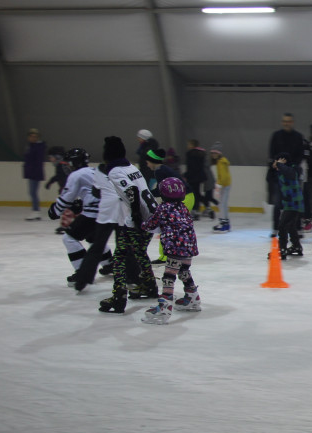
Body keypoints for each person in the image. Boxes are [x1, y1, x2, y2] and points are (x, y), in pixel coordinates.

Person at [99, 136, 159, 314]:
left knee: (119, 257)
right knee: (140, 252)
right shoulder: (131, 167)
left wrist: (135, 216)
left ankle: (119, 297)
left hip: (138, 219)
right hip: (151, 215)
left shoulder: (115, 171)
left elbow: (131, 191)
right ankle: (149, 287)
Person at [47, 148, 113, 284]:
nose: (68, 166)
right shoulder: (95, 171)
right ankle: (109, 263)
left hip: (93, 214)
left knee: (69, 238)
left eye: (69, 163)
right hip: (107, 212)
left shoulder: (77, 175)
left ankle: (82, 271)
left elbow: (66, 197)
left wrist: (55, 211)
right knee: (92, 237)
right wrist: (82, 203)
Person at [140, 177, 200, 324]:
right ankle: (192, 297)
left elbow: (152, 223)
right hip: (189, 246)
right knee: (184, 271)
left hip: (175, 247)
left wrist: (142, 224)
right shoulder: (183, 206)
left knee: (168, 276)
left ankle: (164, 308)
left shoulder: (164, 207)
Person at [268, 113, 306, 236]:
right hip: (278, 175)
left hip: (293, 175)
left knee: (295, 203)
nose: (286, 123)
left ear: (292, 122)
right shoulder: (276, 136)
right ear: (282, 122)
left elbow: (300, 155)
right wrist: (278, 166)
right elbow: (272, 153)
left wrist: (291, 168)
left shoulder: (298, 137)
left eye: (289, 121)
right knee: (278, 203)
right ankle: (276, 228)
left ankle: (297, 228)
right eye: (284, 121)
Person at [273, 153, 304, 260]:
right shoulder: (282, 171)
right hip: (290, 204)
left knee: (282, 226)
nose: (275, 164)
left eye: (277, 161)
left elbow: (291, 174)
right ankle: (296, 246)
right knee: (290, 226)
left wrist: (280, 164)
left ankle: (282, 249)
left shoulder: (292, 170)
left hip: (293, 204)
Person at [23, 128, 47, 220]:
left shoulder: (38, 147)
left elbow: (37, 161)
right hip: (31, 172)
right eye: (31, 136)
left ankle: (36, 211)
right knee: (32, 192)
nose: (33, 138)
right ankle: (35, 211)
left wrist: (34, 172)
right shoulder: (30, 146)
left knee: (33, 192)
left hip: (35, 173)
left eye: (35, 137)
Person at [210, 142, 232, 233]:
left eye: (215, 153)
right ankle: (225, 223)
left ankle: (224, 224)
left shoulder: (221, 162)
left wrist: (219, 185)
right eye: (212, 153)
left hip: (225, 185)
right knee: (223, 204)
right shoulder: (220, 161)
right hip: (225, 185)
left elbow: (223, 177)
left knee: (222, 205)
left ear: (219, 153)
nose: (213, 155)